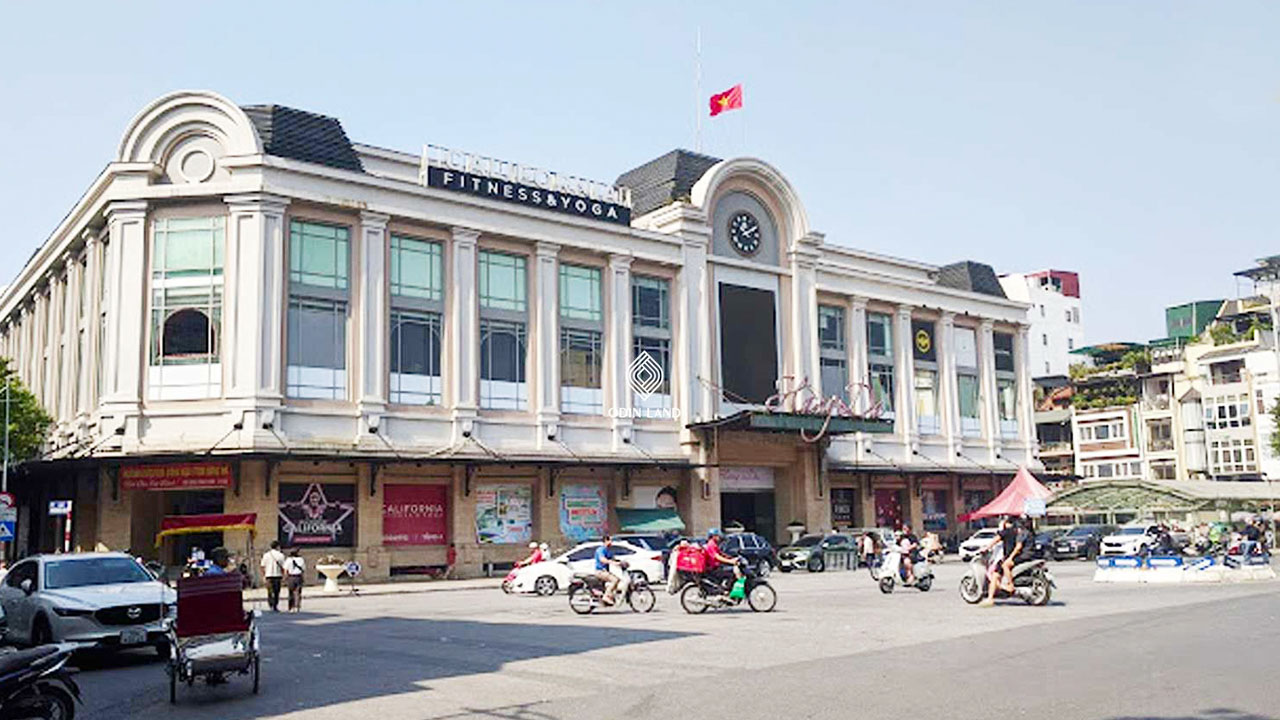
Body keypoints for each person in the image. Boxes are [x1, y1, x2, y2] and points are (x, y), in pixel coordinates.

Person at [593, 535, 626, 605]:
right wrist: (612, 562)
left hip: (605, 571)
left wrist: (621, 563)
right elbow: (602, 559)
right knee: (615, 580)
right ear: (605, 541)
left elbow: (613, 558)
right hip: (600, 571)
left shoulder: (608, 550)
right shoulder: (601, 550)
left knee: (617, 580)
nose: (611, 542)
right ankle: (606, 596)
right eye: (610, 540)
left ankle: (610, 595)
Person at [260, 541, 286, 612]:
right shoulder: (281, 555)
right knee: (277, 591)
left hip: (268, 575)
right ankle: (275, 605)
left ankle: (270, 604)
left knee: (270, 591)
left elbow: (262, 566)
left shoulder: (266, 555)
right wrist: (284, 576)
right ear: (277, 546)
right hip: (277, 575)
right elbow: (284, 567)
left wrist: (263, 576)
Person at [283, 548, 306, 612]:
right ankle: (297, 606)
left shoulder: (288, 560)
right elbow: (303, 569)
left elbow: (285, 570)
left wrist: (285, 577)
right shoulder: (301, 559)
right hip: (298, 576)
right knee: (298, 592)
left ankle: (291, 607)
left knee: (290, 592)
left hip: (291, 577)